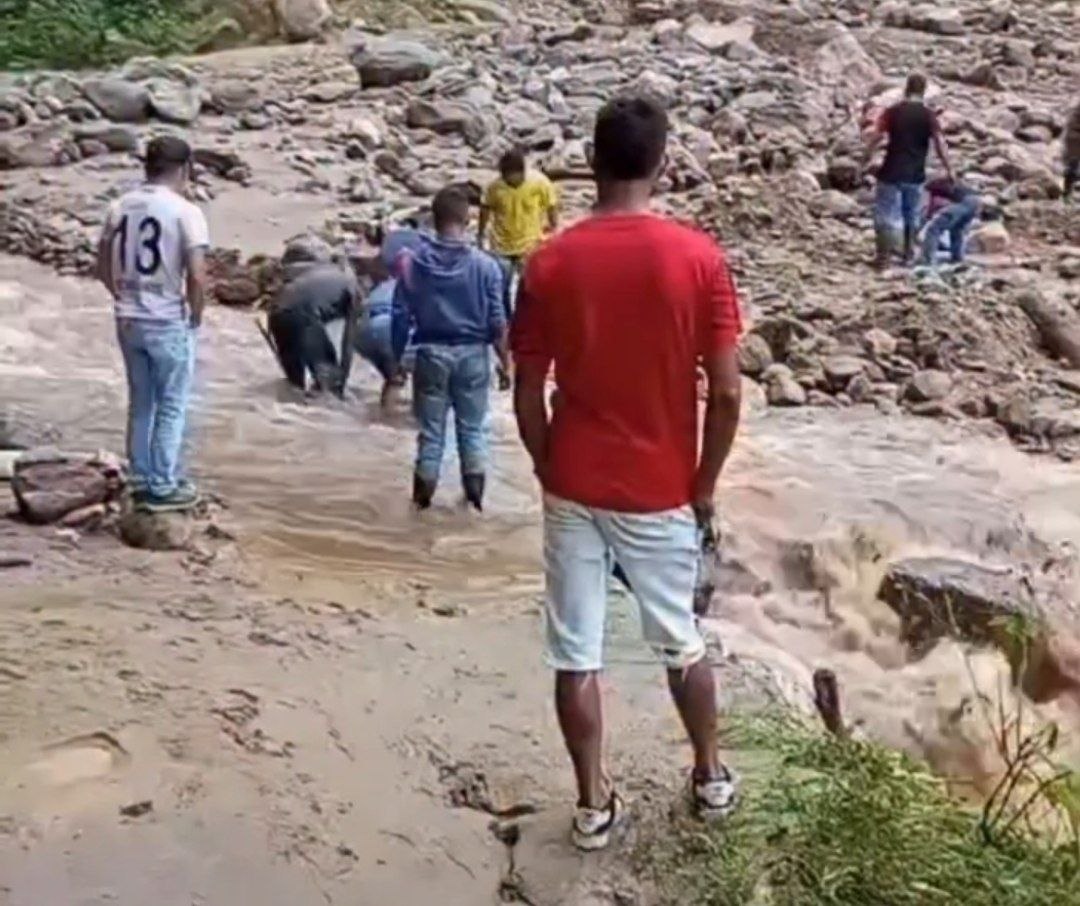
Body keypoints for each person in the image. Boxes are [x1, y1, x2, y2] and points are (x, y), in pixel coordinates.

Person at [511, 94, 743, 851]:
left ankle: (590, 807)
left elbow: (527, 385)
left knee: (575, 649)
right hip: (660, 483)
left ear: (590, 163)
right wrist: (702, 484)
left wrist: (549, 465)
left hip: (575, 476)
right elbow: (729, 390)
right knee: (680, 639)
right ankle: (709, 777)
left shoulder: (549, 261)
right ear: (662, 163)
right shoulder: (698, 259)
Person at [96, 135, 209, 513]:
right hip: (166, 318)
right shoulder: (186, 211)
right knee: (173, 403)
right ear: (185, 169)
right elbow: (196, 274)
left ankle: (140, 477)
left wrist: (120, 294)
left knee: (141, 401)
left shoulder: (120, 206)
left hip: (128, 316)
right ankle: (162, 484)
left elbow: (101, 264)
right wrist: (195, 314)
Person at [394, 187, 509, 512]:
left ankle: (420, 509)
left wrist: (398, 362)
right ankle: (474, 507)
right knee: (472, 432)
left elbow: (402, 315)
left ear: (433, 219)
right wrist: (506, 361)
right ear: (468, 219)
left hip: (430, 351)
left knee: (430, 434)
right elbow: (497, 321)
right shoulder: (487, 267)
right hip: (473, 354)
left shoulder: (414, 264)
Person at [865, 73, 954, 268]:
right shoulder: (928, 116)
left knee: (884, 214)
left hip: (890, 170)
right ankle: (907, 256)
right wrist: (949, 169)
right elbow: (940, 144)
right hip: (915, 174)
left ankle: (883, 258)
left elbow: (876, 137)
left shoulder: (892, 112)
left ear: (907, 88)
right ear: (923, 91)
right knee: (911, 215)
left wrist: (864, 159)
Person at [267, 240, 359, 398]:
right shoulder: (353, 289)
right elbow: (348, 341)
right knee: (328, 384)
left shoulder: (328, 273)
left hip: (276, 312)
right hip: (303, 315)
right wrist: (341, 379)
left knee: (294, 385)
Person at [478, 148, 559, 319]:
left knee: (530, 287)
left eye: (515, 179)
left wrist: (554, 230)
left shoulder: (539, 183)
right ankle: (507, 322)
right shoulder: (494, 188)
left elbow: (551, 206)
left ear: (523, 172)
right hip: (501, 246)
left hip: (530, 245)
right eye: (507, 179)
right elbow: (485, 209)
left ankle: (528, 319)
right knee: (501, 287)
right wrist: (480, 235)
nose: (511, 182)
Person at [919, 177, 980, 267]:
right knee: (957, 230)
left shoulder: (930, 187)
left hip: (963, 202)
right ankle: (957, 258)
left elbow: (931, 206)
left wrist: (925, 221)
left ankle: (928, 261)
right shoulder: (948, 181)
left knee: (934, 229)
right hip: (976, 202)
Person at [1064, 102, 1080, 201]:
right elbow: (1073, 124)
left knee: (1073, 166)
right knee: (1073, 166)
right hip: (1075, 139)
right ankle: (1067, 194)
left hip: (1073, 138)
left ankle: (1067, 194)